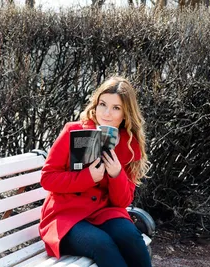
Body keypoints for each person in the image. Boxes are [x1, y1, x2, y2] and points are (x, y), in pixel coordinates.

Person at [38, 76, 152, 267]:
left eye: (116, 108)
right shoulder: (73, 131)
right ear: (95, 105)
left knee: (131, 238)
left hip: (104, 213)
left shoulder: (129, 144)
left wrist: (117, 175)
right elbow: (47, 178)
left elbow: (123, 202)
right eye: (103, 104)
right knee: (103, 245)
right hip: (66, 216)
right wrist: (87, 177)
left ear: (126, 114)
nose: (107, 113)